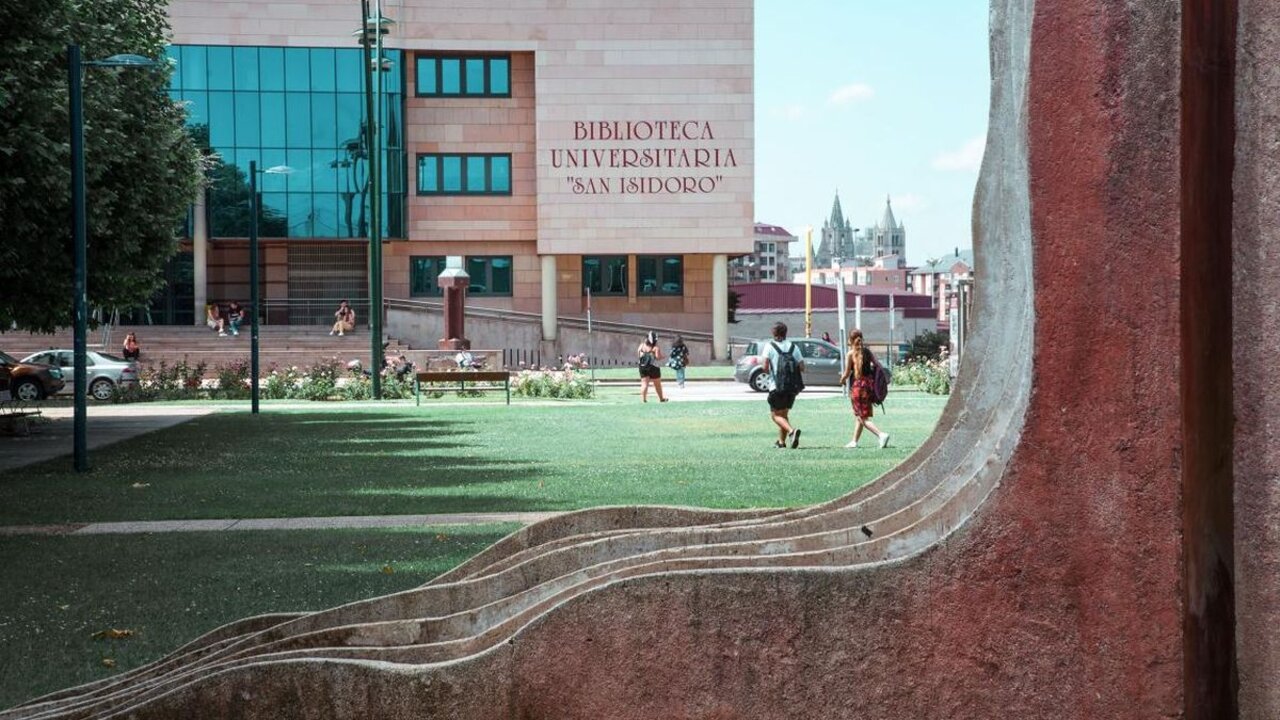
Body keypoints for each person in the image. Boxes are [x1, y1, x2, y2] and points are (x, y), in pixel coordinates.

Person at [838, 329, 890, 449]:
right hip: (868, 387)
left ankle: (881, 434)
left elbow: (846, 373)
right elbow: (877, 365)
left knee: (862, 417)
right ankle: (854, 441)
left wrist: (841, 380)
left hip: (858, 388)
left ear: (850, 340)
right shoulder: (867, 352)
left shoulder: (850, 354)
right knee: (861, 415)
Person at [762, 321, 804, 448]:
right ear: (786, 333)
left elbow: (765, 367)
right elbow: (802, 367)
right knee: (784, 415)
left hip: (776, 386)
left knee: (775, 416)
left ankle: (792, 432)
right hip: (791, 388)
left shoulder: (769, 346)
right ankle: (781, 442)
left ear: (773, 333)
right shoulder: (793, 347)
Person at [637, 331, 667, 402]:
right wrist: (663, 357)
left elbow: (639, 355)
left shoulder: (641, 346)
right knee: (657, 384)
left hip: (642, 367)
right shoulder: (655, 348)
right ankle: (661, 398)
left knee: (644, 383)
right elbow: (657, 357)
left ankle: (644, 399)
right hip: (653, 367)